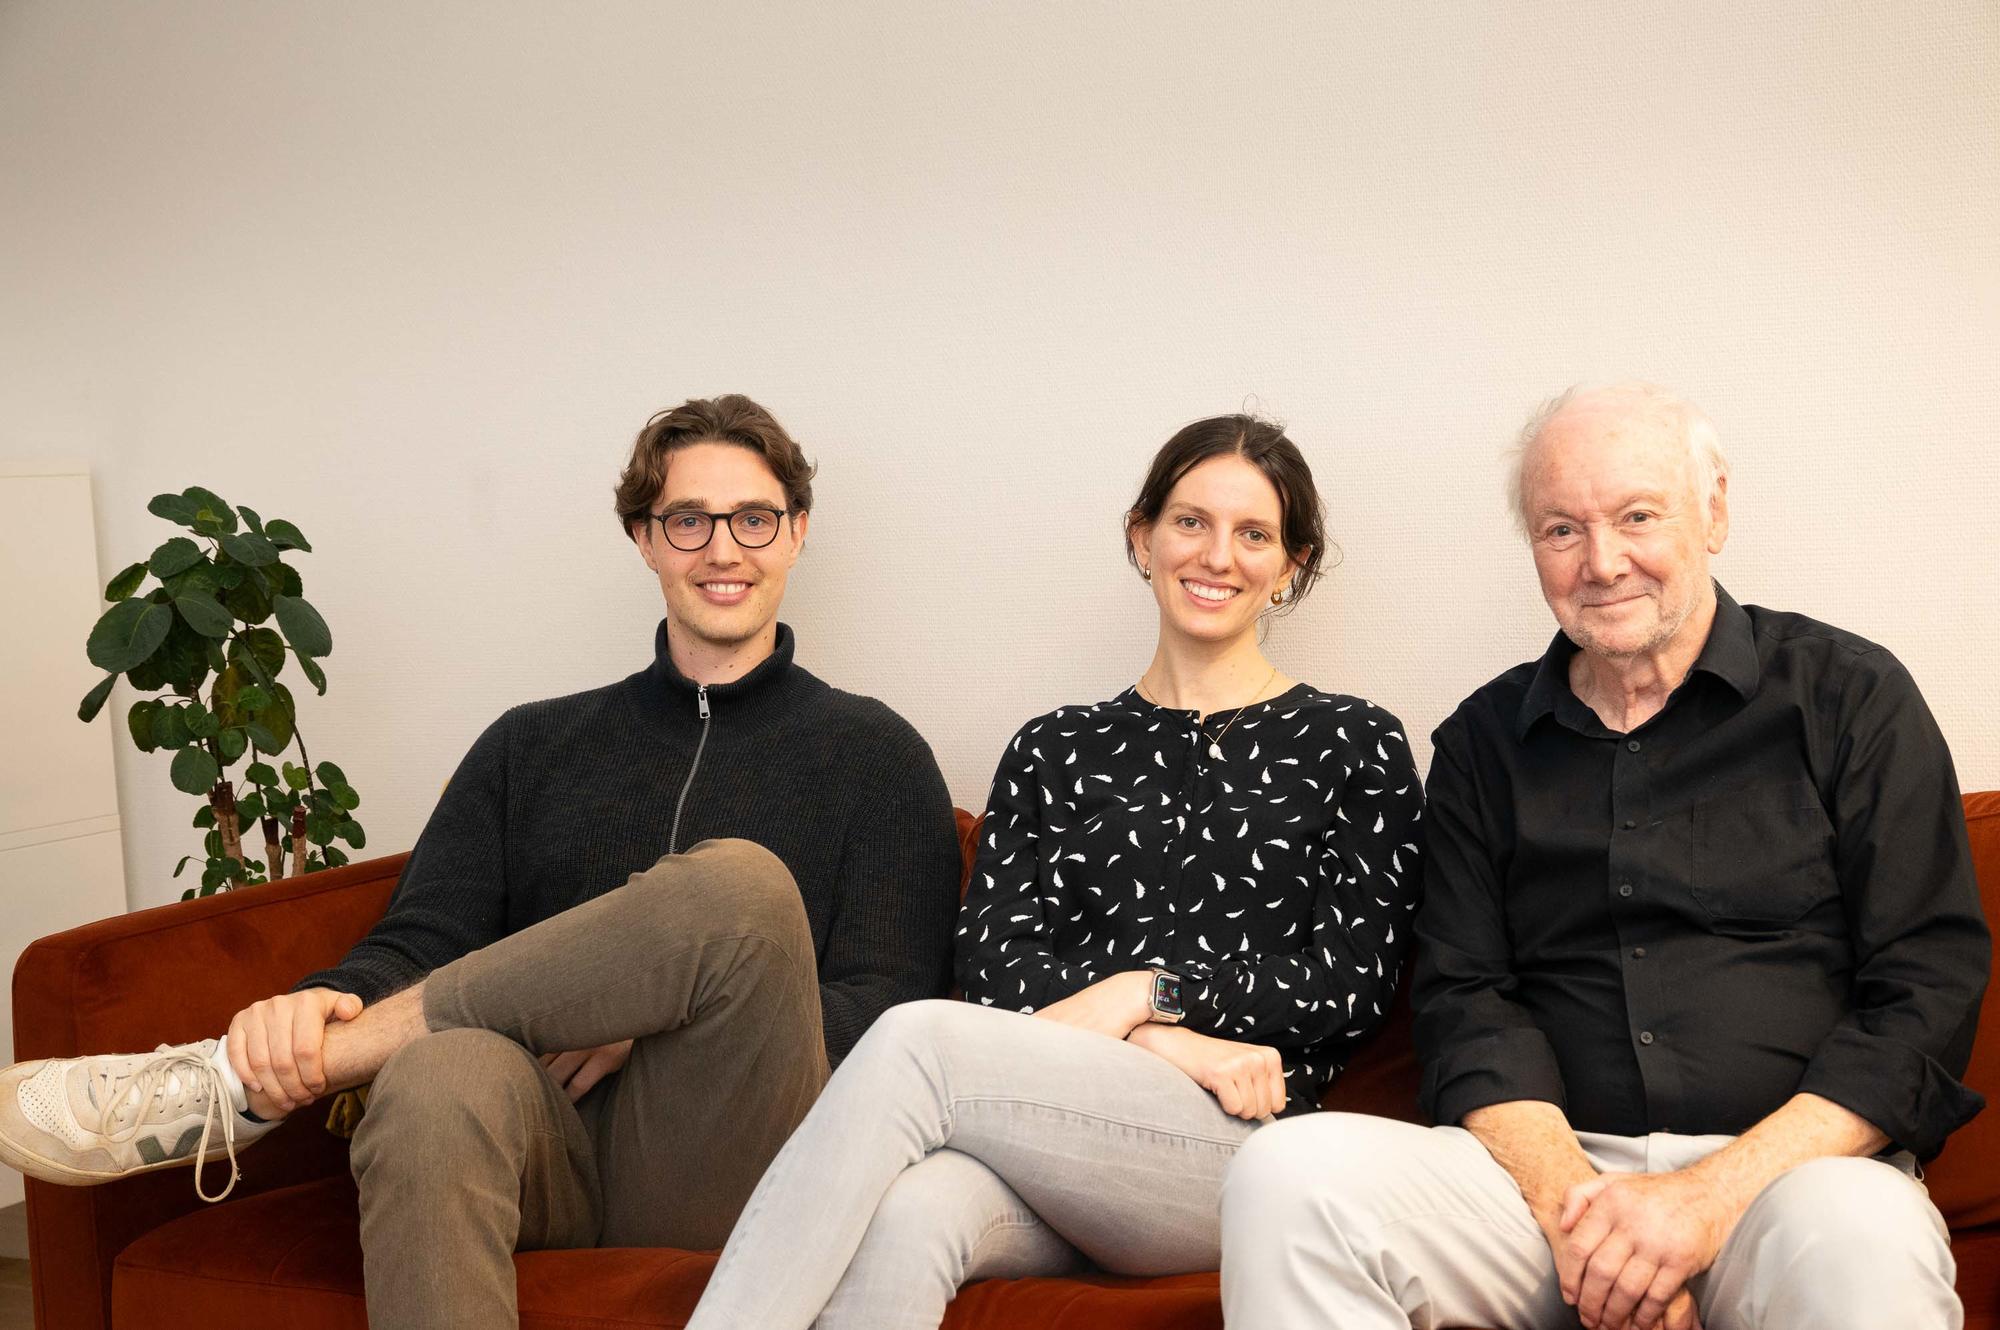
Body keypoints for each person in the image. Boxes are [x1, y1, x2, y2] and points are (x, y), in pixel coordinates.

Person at [0, 394, 964, 1330]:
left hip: (738, 1154)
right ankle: (310, 1062)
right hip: (540, 1138)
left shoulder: (875, 756)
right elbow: (426, 933)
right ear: (642, 538)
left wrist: (660, 1010)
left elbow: (893, 1007)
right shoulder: (532, 745)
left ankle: (233, 1093)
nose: (724, 549)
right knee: (427, 1081)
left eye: (754, 518)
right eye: (688, 520)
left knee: (741, 886)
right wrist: (322, 997)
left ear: (797, 531)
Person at [1221, 382, 1989, 1330]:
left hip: (1790, 1185)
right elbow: (1464, 999)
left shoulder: (1850, 699)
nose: (1603, 562)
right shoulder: (1482, 744)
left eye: (1637, 516)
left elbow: (1927, 985)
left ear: (1713, 509)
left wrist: (1701, 1204)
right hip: (1547, 1189)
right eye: (1561, 530)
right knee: (1290, 1173)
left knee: (1866, 1234)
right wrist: (1587, 1227)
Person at [684, 413, 1425, 1329]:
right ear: (1141, 536)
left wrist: (1149, 991)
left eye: (1254, 534)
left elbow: (1343, 986)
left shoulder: (1354, 742)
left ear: (1292, 567)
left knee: (919, 1042)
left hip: (1242, 1153)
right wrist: (1160, 1029)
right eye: (1190, 521)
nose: (1218, 555)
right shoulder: (1056, 747)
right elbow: (993, 971)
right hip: (1058, 1146)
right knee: (916, 1211)